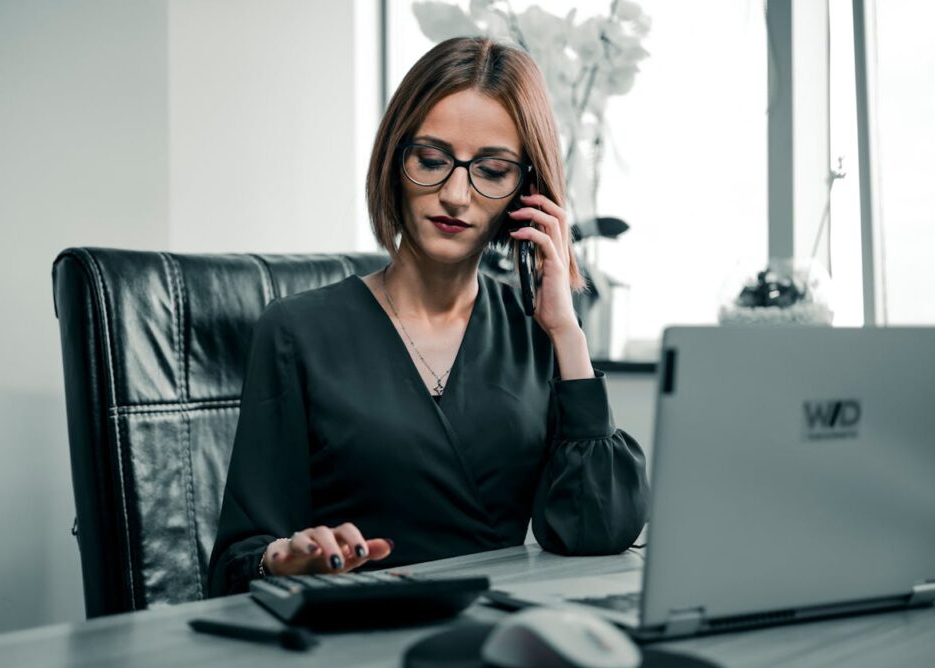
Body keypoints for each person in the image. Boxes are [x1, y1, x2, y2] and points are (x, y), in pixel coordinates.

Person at [207, 36, 649, 597]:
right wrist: (282, 560)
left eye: (491, 170)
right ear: (396, 159)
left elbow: (598, 530)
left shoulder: (535, 332)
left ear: (525, 191)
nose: (456, 195)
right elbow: (237, 563)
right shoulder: (297, 331)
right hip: (353, 639)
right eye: (433, 161)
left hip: (498, 634)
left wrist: (567, 333)